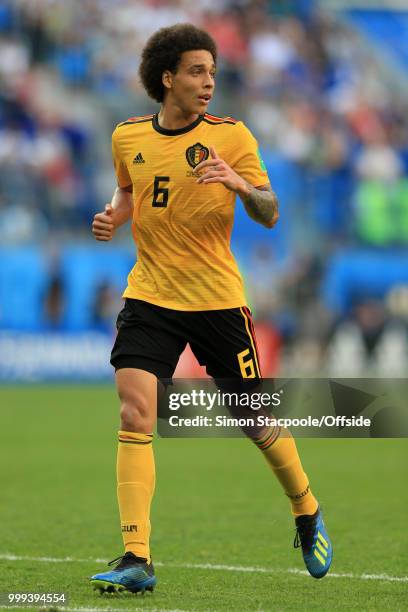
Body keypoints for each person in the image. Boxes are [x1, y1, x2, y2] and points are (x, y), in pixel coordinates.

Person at [90, 23, 332, 594]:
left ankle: (306, 508)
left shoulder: (233, 137)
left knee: (253, 421)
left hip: (217, 300)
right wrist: (112, 215)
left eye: (214, 73)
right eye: (198, 71)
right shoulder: (127, 136)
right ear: (167, 77)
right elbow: (132, 192)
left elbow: (271, 213)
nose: (209, 83)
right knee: (134, 414)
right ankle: (136, 557)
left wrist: (239, 186)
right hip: (149, 294)